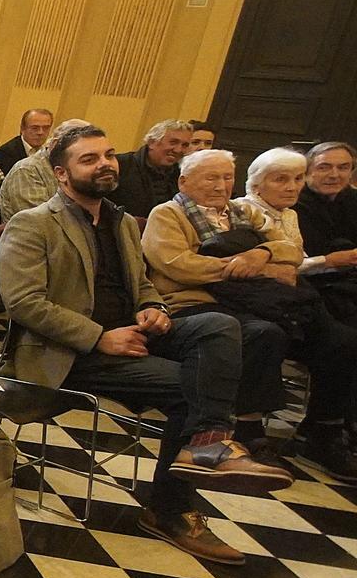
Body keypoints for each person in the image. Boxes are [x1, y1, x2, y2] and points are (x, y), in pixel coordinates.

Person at [0, 120, 291, 562]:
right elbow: (23, 303)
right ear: (61, 173)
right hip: (68, 350)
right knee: (189, 387)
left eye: (109, 155)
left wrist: (153, 309)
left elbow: (143, 285)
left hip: (134, 334)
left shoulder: (120, 222)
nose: (104, 165)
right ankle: (170, 510)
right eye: (89, 159)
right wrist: (99, 337)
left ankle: (208, 440)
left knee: (218, 325)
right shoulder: (34, 223)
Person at [142, 149, 356, 479]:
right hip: (195, 302)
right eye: (211, 177)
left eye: (227, 177)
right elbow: (178, 265)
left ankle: (322, 428)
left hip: (255, 300)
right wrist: (253, 269)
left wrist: (261, 253)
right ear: (184, 181)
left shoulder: (242, 211)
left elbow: (292, 251)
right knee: (264, 333)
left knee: (341, 340)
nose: (220, 185)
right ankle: (247, 430)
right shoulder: (168, 214)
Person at [251, 144, 357, 324]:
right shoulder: (290, 204)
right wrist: (331, 260)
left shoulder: (352, 199)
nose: (334, 175)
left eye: (343, 168)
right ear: (308, 171)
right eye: (324, 167)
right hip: (312, 283)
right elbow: (294, 260)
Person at [113, 119, 194, 223]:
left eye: (185, 145)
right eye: (173, 142)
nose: (178, 150)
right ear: (151, 142)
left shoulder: (182, 176)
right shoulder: (120, 166)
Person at [0, 107, 53, 173]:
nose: (40, 132)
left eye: (46, 128)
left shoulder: (50, 153)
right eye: (35, 128)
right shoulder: (5, 153)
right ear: (22, 128)